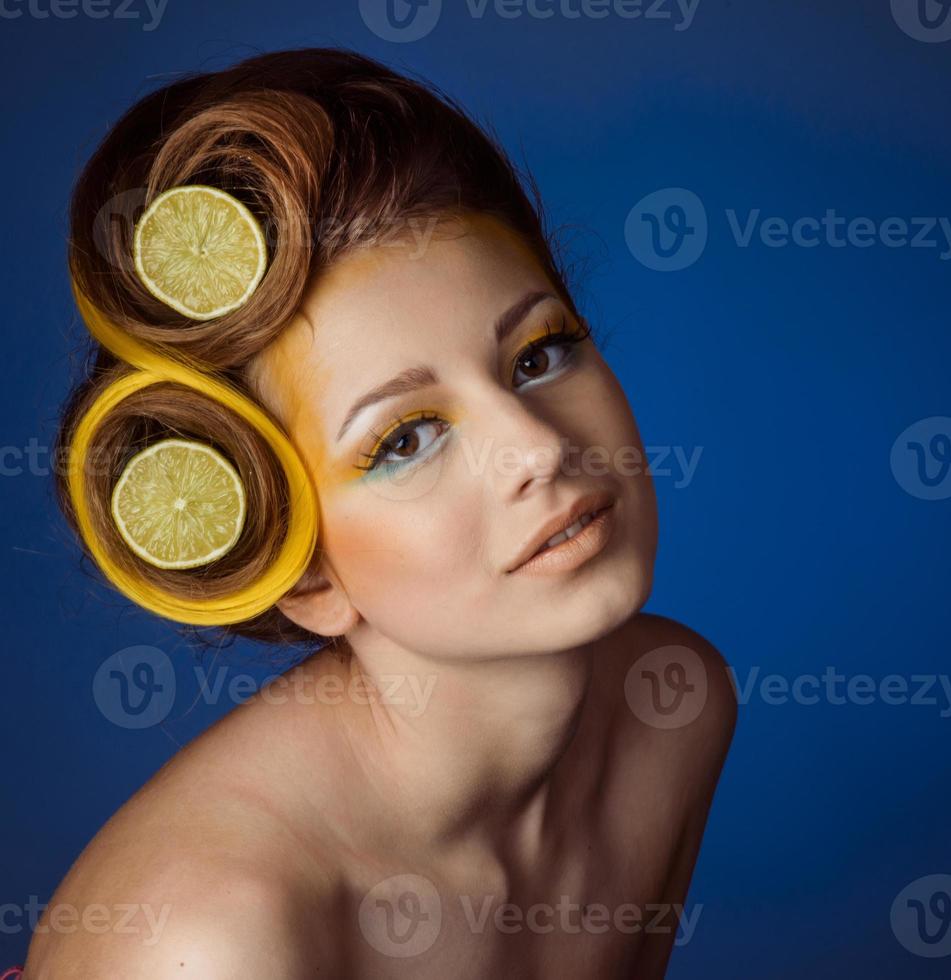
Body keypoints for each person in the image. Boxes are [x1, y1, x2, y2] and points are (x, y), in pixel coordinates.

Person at [24, 47, 736, 979]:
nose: (538, 448)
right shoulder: (211, 941)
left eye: (540, 353)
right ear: (305, 568)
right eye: (404, 440)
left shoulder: (670, 714)